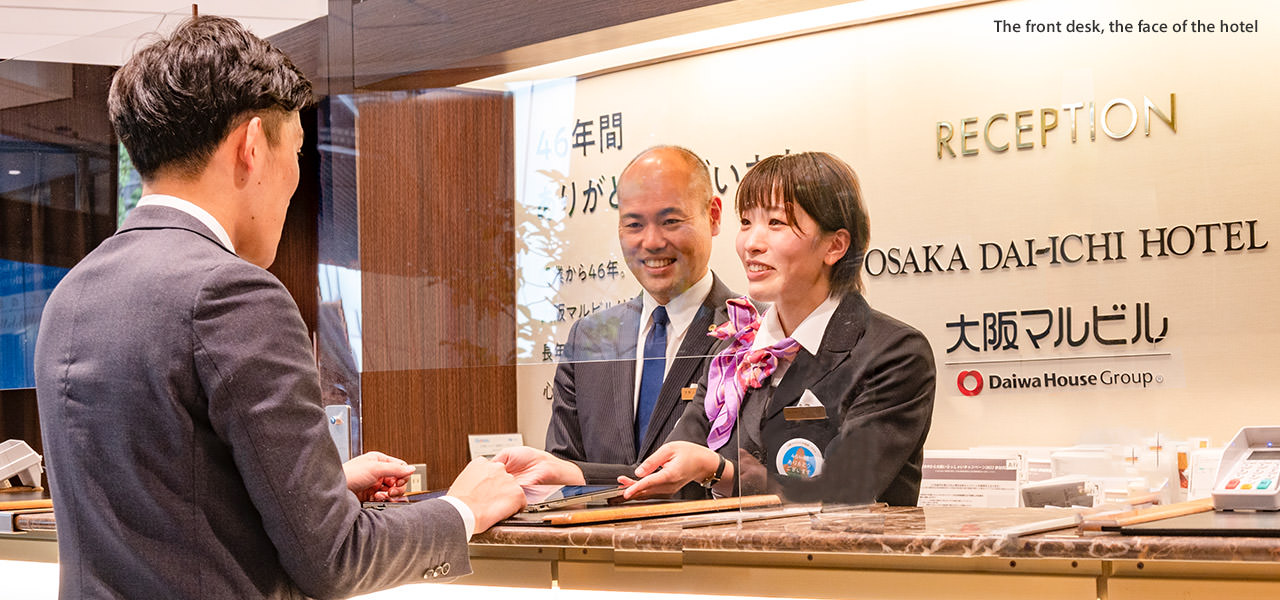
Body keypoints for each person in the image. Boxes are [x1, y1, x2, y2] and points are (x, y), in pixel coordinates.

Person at [33, 16, 524, 599]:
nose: (294, 178)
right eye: (295, 149)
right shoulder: (230, 293)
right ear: (250, 147)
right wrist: (462, 511)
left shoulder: (71, 294)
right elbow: (336, 559)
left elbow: (160, 498)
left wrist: (323, 486)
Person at [620, 151, 936, 506]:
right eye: (745, 222)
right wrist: (574, 474)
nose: (751, 243)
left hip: (838, 559)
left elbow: (844, 491)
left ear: (834, 246)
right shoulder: (733, 352)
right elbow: (671, 467)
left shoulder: (893, 352)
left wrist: (717, 470)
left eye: (776, 223)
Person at [533, 146, 739, 487]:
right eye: (634, 224)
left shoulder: (752, 331)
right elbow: (561, 472)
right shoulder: (590, 336)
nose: (652, 241)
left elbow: (756, 476)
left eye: (671, 221)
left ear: (714, 216)